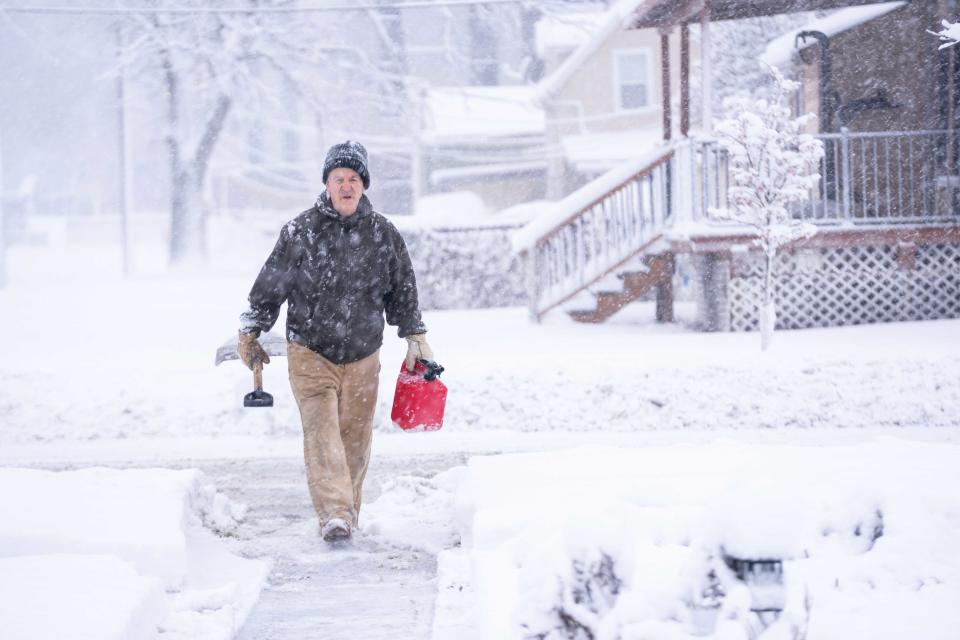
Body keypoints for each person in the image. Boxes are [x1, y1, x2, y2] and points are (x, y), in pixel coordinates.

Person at [237, 140, 434, 542]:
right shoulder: (300, 232)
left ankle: (348, 512)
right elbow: (271, 284)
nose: (346, 186)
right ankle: (335, 515)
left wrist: (414, 334)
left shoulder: (383, 234)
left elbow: (403, 289)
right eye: (338, 179)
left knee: (355, 438)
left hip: (364, 352)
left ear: (364, 185)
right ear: (327, 184)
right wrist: (252, 327)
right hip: (311, 350)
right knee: (323, 432)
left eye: (354, 179)